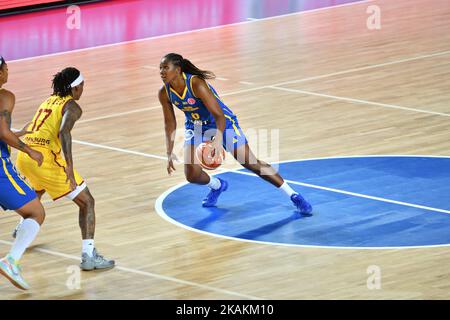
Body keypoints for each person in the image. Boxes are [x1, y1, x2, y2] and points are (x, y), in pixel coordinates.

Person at [158, 53, 312, 213]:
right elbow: (170, 123)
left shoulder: (196, 83)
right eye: (160, 68)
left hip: (222, 122)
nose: (162, 72)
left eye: (165, 68)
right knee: (192, 175)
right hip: (195, 126)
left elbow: (219, 115)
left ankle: (294, 195)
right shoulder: (164, 92)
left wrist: (217, 141)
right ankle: (217, 186)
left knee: (250, 162)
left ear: (178, 69)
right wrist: (169, 152)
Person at [14, 67, 114, 271]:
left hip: (25, 156)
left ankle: (22, 228)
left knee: (38, 190)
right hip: (43, 158)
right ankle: (88, 255)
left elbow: (35, 124)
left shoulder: (49, 100)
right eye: (82, 86)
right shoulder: (73, 106)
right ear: (76, 87)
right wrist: (69, 166)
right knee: (87, 201)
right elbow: (64, 132)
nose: (83, 90)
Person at [0, 55, 45, 290]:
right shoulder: (5, 96)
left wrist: (17, 133)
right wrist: (28, 150)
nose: (8, 71)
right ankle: (11, 261)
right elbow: (1, 131)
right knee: (36, 212)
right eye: (6, 68)